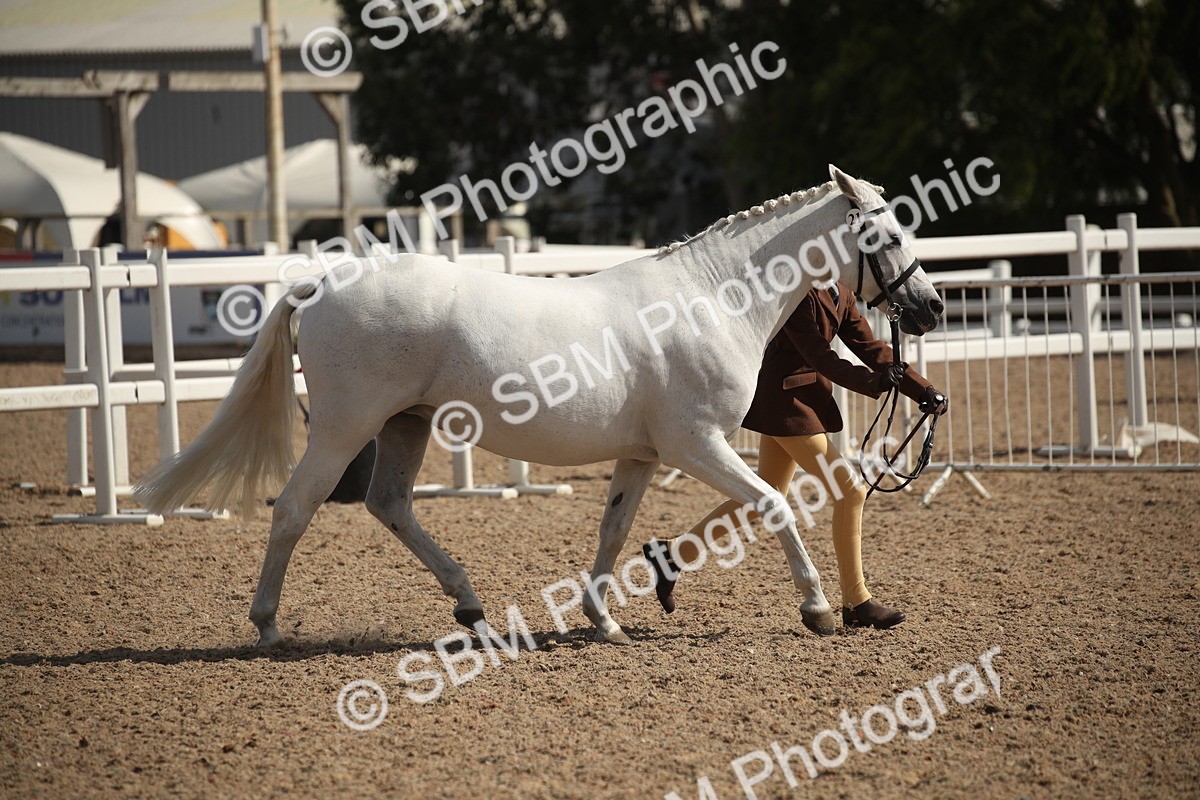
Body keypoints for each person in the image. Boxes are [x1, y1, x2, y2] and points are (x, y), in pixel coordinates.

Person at [643, 281, 949, 631]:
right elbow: (820, 356)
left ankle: (674, 554)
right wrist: (873, 383)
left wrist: (923, 390)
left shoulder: (842, 292)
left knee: (761, 498)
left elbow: (871, 346)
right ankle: (857, 601)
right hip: (785, 404)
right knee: (850, 491)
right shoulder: (798, 293)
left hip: (800, 401)